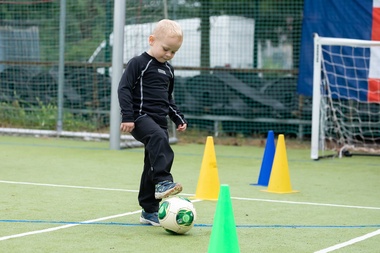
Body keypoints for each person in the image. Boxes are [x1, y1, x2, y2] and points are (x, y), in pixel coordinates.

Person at [118, 19, 187, 226]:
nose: (169, 55)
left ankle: (149, 210)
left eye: (173, 52)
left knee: (151, 163)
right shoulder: (138, 63)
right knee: (158, 139)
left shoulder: (169, 70)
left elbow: (168, 99)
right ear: (152, 40)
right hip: (139, 118)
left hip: (159, 122)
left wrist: (178, 118)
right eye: (166, 49)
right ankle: (163, 182)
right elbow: (124, 89)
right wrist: (128, 116)